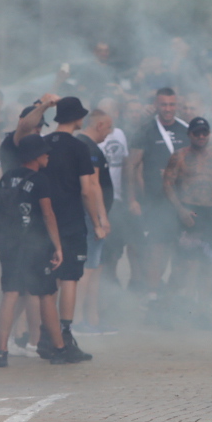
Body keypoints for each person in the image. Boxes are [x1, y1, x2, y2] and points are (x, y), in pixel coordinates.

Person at [0, 135, 80, 366]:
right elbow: (48, 214)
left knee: (10, 294)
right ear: (35, 156)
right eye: (44, 152)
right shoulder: (40, 180)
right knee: (46, 295)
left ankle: (1, 352)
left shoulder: (7, 177)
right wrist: (58, 246)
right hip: (36, 244)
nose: (48, 155)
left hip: (10, 244)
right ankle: (59, 349)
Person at [40, 96, 108, 360]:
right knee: (69, 278)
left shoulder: (43, 143)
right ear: (76, 118)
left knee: (49, 279)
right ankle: (65, 337)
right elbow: (87, 189)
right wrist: (96, 222)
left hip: (44, 221)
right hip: (69, 221)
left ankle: (47, 337)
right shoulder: (78, 147)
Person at [124, 86, 189, 299]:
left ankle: (171, 297)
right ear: (156, 105)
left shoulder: (186, 129)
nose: (168, 109)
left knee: (184, 252)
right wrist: (132, 199)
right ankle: (152, 297)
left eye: (172, 104)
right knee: (157, 250)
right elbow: (131, 166)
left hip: (184, 202)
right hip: (156, 201)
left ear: (177, 104)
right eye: (164, 105)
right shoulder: (145, 130)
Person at [165, 116, 212, 318]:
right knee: (184, 265)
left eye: (204, 133)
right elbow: (167, 185)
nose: (201, 136)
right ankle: (166, 310)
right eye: (197, 133)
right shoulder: (179, 156)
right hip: (189, 211)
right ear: (189, 134)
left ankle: (201, 312)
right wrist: (180, 210)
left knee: (208, 266)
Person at [78, 107, 124, 335]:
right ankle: (78, 322)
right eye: (109, 127)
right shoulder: (90, 148)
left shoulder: (80, 144)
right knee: (88, 268)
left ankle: (90, 320)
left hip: (87, 215)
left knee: (94, 267)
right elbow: (93, 185)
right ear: (99, 126)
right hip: (90, 216)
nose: (110, 132)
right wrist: (101, 218)